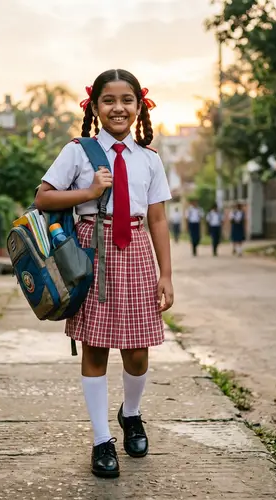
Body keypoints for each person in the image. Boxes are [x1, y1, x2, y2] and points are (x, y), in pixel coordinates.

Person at [35, 69, 174, 479]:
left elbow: (159, 220)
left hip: (135, 254)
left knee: (137, 350)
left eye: (127, 100)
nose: (118, 108)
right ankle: (100, 440)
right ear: (94, 107)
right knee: (95, 349)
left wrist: (166, 275)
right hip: (90, 251)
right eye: (109, 100)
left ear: (139, 106)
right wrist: (90, 193)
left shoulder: (149, 159)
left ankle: (131, 414)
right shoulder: (78, 151)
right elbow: (44, 196)